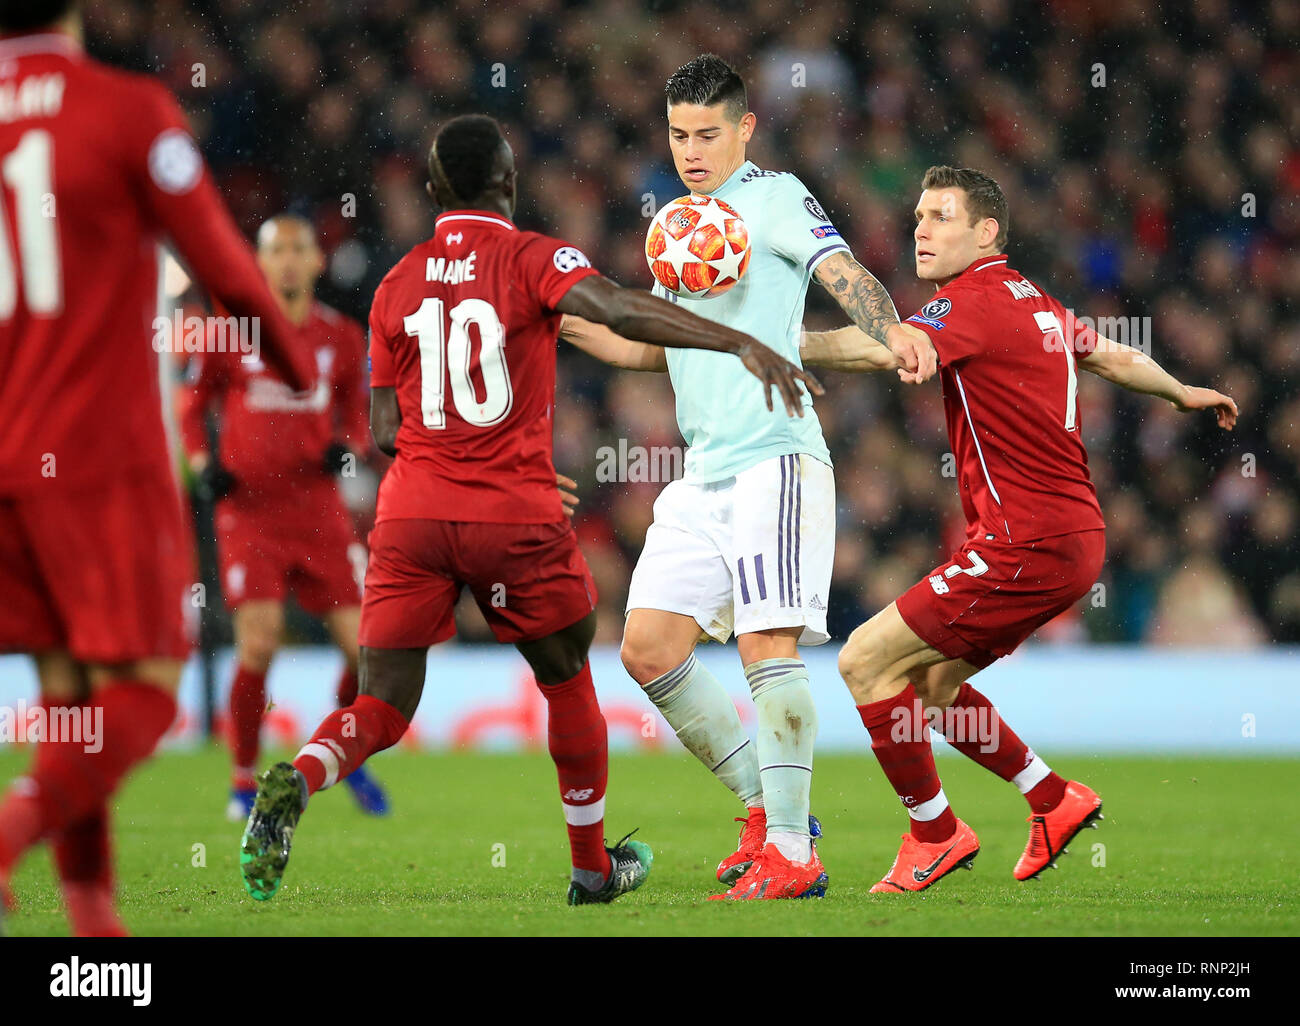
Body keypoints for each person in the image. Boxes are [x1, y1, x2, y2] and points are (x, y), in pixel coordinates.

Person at [238, 113, 822, 906]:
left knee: (380, 700)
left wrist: (445, 454)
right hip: (515, 512)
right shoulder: (533, 256)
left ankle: (301, 779)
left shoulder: (395, 282)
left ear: (435, 189)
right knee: (567, 677)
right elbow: (616, 309)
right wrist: (736, 342)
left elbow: (382, 430)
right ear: (509, 186)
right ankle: (591, 869)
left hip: (411, 516)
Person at [803, 165, 1237, 892]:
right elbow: (1110, 355)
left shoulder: (969, 302)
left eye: (940, 216)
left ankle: (934, 834)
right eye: (917, 216)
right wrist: (1179, 390)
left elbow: (884, 348)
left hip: (1025, 542)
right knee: (933, 687)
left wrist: (781, 344)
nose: (921, 228)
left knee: (864, 663)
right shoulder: (1032, 299)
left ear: (986, 232)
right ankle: (1052, 797)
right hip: (1068, 539)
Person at [0, 0, 316, 936]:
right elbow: (221, 258)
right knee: (141, 692)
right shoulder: (126, 109)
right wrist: (291, 360)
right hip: (99, 453)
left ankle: (97, 936)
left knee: (67, 705)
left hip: (7, 457)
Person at [599, 53, 934, 901]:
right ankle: (765, 809)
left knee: (765, 644)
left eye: (708, 133)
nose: (691, 150)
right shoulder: (676, 226)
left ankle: (794, 854)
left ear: (745, 128)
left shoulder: (776, 198)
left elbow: (844, 275)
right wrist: (560, 326)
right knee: (647, 648)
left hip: (775, 460)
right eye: (678, 134)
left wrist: (890, 329)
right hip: (701, 471)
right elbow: (657, 344)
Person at [181, 214, 389, 821]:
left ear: (318, 263)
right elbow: (193, 408)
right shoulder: (231, 333)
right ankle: (243, 777)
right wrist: (202, 463)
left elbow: (357, 412)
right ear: (261, 263)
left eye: (301, 249)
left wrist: (347, 444)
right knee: (260, 643)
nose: (291, 260)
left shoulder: (343, 337)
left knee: (365, 650)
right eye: (279, 251)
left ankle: (342, 750)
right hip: (250, 514)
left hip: (319, 512)